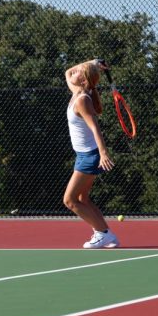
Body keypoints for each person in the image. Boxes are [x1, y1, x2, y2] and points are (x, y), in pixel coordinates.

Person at [63, 58, 119, 248]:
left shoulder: (82, 101)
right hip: (84, 155)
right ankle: (107, 234)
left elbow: (95, 128)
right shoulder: (77, 92)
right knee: (82, 199)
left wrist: (103, 153)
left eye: (79, 71)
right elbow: (67, 72)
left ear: (84, 80)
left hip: (90, 157)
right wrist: (93, 63)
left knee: (70, 200)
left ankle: (102, 233)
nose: (75, 72)